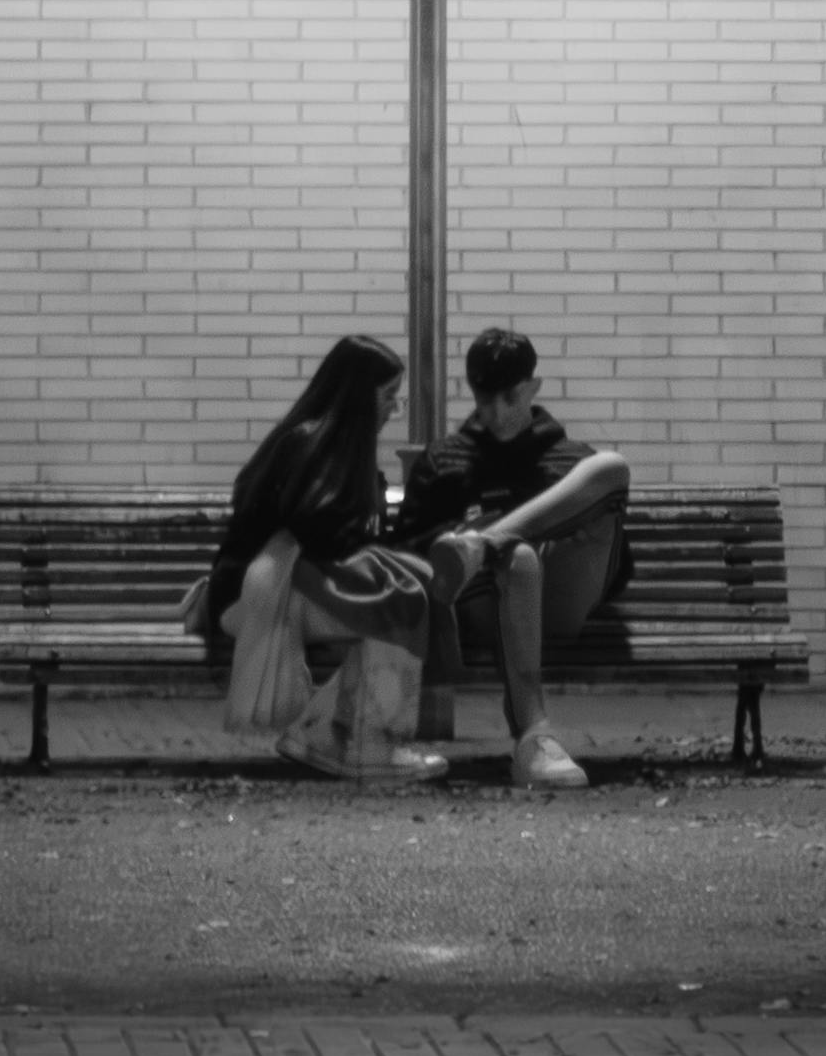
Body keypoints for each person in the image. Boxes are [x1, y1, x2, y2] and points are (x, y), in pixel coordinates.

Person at [199, 334, 487, 786]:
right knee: (395, 605)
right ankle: (368, 743)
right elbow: (324, 533)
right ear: (358, 395)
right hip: (262, 595)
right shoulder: (314, 445)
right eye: (389, 396)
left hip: (273, 585)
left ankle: (325, 733)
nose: (395, 408)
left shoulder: (316, 440)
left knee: (401, 597)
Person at [396, 325, 633, 791]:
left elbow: (616, 568)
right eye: (485, 401)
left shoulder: (568, 460)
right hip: (482, 603)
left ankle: (485, 543)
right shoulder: (445, 459)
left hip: (561, 601)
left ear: (534, 388)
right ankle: (533, 739)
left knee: (611, 468)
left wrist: (491, 535)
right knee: (519, 558)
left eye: (511, 397)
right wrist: (473, 541)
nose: (497, 413)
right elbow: (410, 552)